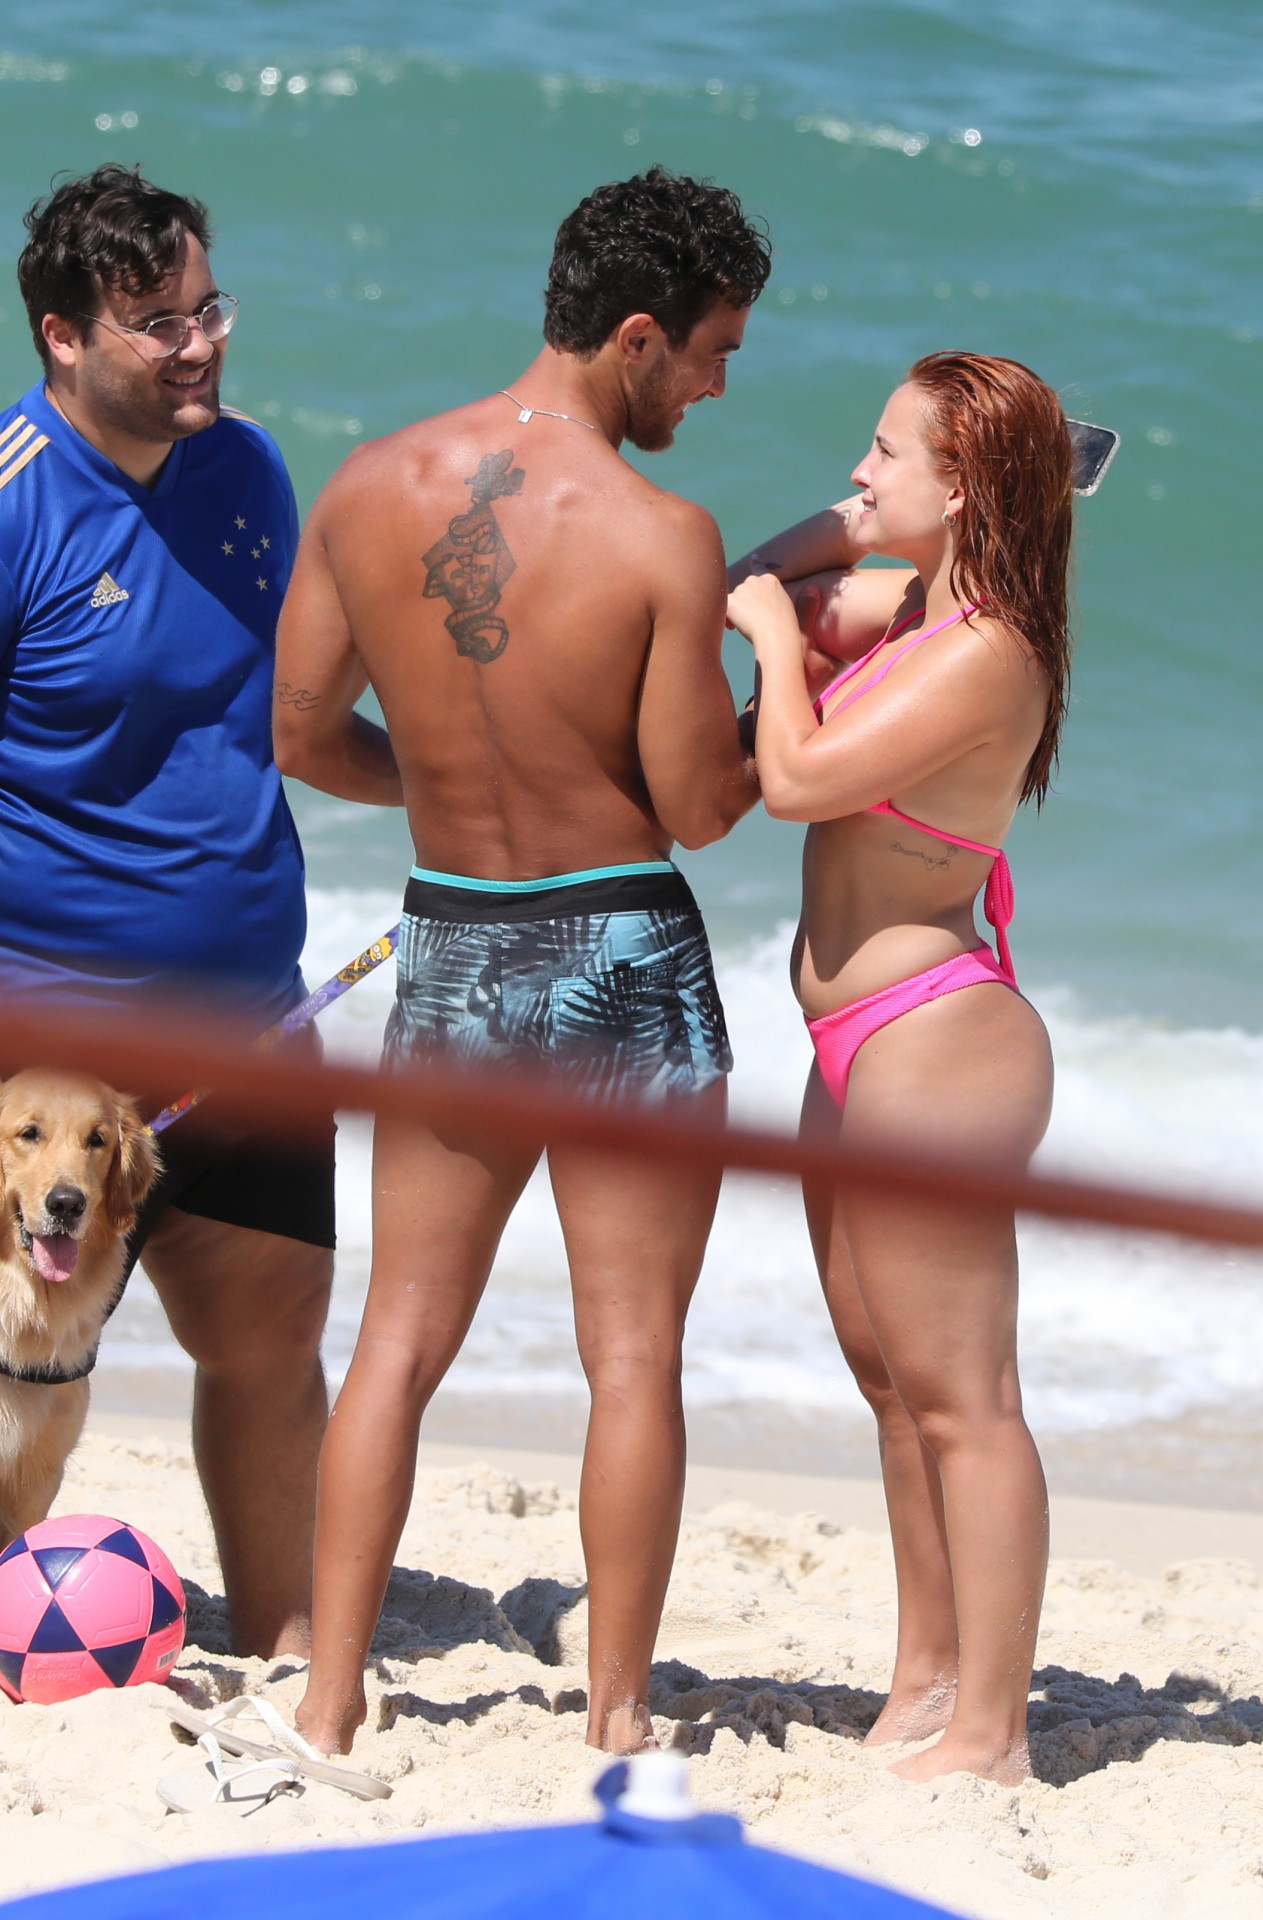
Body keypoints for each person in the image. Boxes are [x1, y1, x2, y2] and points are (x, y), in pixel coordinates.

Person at [273, 165, 769, 1756]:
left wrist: (444, 783)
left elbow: (299, 737)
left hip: (456, 950)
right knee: (631, 1356)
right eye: (712, 351)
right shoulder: (661, 535)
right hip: (623, 954)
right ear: (637, 337)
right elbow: (699, 809)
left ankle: (330, 1703)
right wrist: (788, 681)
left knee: (397, 1343)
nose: (714, 385)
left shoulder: (366, 486)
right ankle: (614, 1720)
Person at [725, 352, 1073, 1786]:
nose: (857, 474)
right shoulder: (919, 603)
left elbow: (800, 781)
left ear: (967, 486)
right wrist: (837, 543)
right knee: (890, 1379)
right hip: (855, 1047)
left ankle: (993, 1733)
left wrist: (769, 639)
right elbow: (766, 578)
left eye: (884, 454)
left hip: (940, 1039)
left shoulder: (991, 650)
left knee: (964, 1398)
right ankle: (928, 1674)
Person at [0, 164, 333, 1657]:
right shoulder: (13, 500)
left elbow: (295, 716)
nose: (200, 344)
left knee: (269, 1341)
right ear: (64, 337)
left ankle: (285, 1642)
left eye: (208, 308)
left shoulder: (246, 468)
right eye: (159, 323)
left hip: (252, 1019)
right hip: (51, 1047)